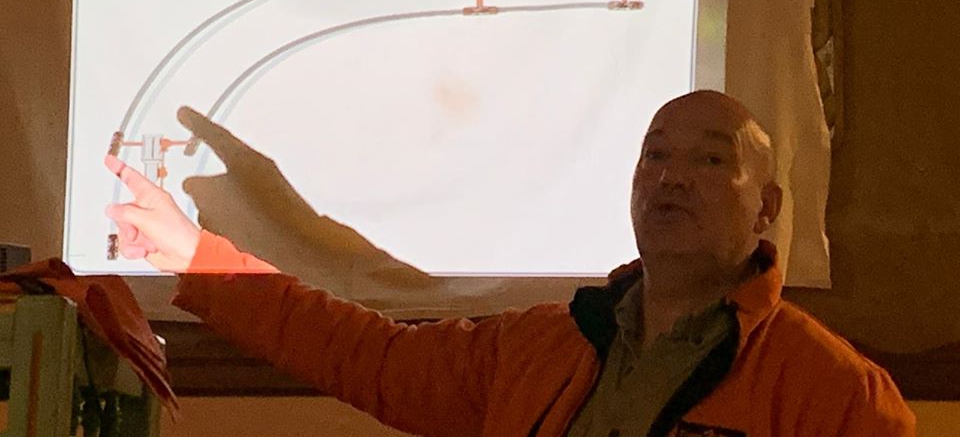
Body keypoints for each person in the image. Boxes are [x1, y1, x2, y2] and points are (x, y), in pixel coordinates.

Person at [105, 90, 916, 437]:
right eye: (654, 155)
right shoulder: (538, 348)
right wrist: (199, 258)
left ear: (766, 206)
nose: (671, 178)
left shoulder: (834, 392)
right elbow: (364, 353)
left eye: (709, 160)